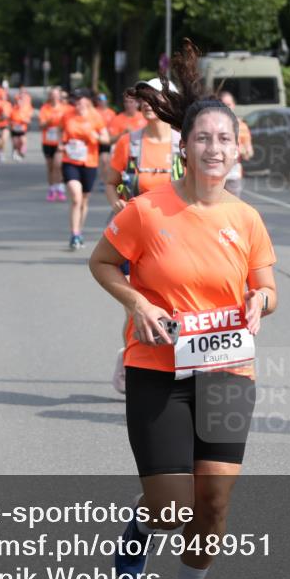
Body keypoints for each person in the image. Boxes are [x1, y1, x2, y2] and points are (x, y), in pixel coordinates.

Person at [89, 39, 276, 579]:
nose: (214, 149)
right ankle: (143, 526)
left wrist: (259, 301)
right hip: (158, 369)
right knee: (172, 508)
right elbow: (102, 264)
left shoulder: (246, 219)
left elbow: (268, 288)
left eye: (225, 139)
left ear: (234, 147)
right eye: (203, 139)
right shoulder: (148, 210)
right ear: (185, 145)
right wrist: (138, 301)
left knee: (214, 503)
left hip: (227, 369)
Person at [105, 79, 185, 394]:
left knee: (175, 303)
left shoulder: (184, 143)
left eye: (156, 98)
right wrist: (116, 201)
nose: (149, 104)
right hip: (134, 239)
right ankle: (132, 359)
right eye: (144, 99)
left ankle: (173, 364)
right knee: (135, 306)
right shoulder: (130, 143)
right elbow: (111, 181)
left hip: (174, 238)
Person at [59, 88, 109, 250]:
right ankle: (74, 234)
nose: (78, 104)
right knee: (76, 197)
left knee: (84, 200)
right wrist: (62, 143)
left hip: (89, 162)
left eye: (81, 101)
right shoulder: (67, 115)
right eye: (76, 101)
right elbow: (62, 132)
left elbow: (106, 139)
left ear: (88, 101)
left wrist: (96, 137)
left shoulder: (95, 117)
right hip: (70, 160)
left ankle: (79, 231)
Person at [218, 91, 253, 197]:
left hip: (233, 176)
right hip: (214, 175)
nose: (226, 108)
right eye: (223, 105)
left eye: (229, 104)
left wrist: (242, 150)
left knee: (232, 208)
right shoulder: (212, 125)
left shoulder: (241, 126)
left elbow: (249, 154)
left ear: (233, 105)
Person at [39, 87, 68, 202]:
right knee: (50, 167)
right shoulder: (45, 109)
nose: (55, 97)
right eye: (53, 95)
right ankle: (51, 189)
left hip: (60, 142)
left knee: (58, 165)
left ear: (60, 96)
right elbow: (41, 126)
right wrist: (48, 122)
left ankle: (60, 188)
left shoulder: (65, 109)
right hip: (47, 141)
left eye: (57, 95)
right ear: (50, 96)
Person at [95, 92, 117, 183]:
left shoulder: (111, 113)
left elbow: (114, 126)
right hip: (96, 139)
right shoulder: (94, 111)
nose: (101, 102)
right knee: (99, 161)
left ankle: (104, 179)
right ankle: (101, 176)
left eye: (103, 100)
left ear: (106, 101)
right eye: (99, 100)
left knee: (105, 160)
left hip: (107, 139)